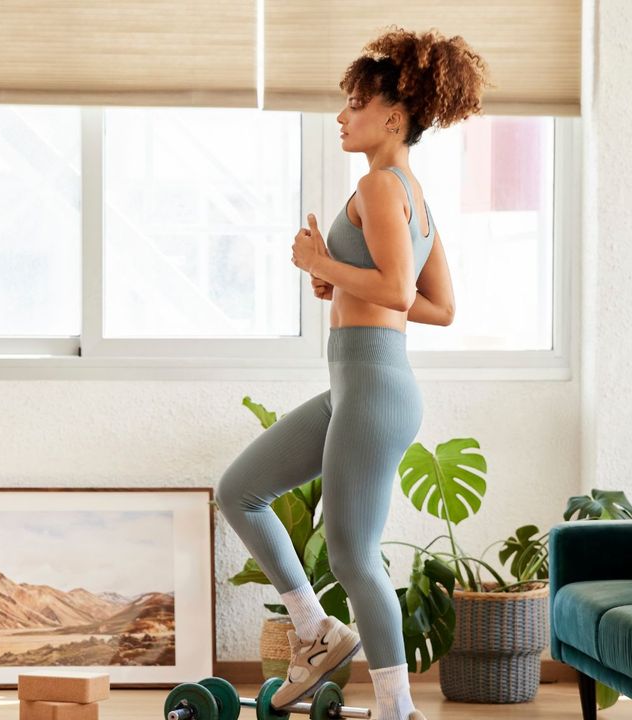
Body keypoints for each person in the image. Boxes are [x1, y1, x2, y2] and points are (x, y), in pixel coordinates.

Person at [215, 26, 486, 720]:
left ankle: (397, 708)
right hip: (358, 384)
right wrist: (342, 286)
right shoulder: (410, 194)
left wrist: (320, 266)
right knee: (242, 490)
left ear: (393, 115)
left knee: (353, 555)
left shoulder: (379, 185)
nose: (342, 116)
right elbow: (440, 306)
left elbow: (397, 290)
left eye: (355, 104)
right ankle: (315, 631)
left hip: (373, 387)